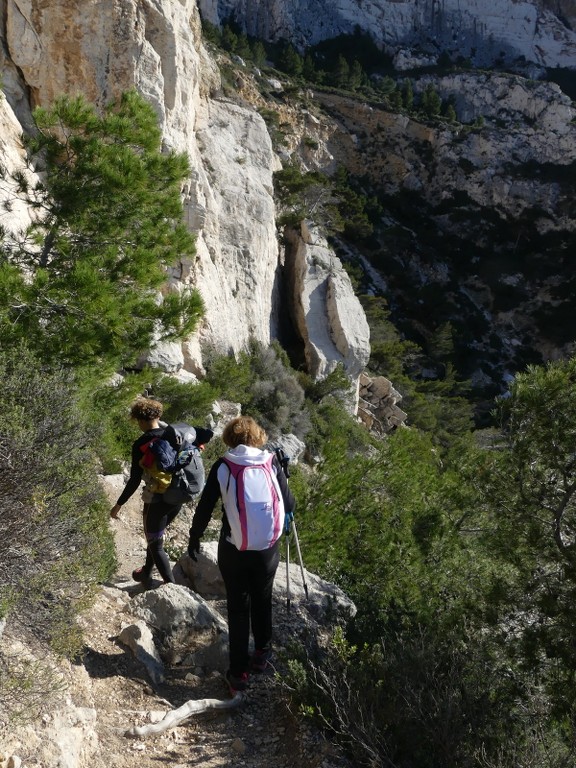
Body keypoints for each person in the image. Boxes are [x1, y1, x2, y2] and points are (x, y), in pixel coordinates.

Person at [187, 416, 295, 694]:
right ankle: (262, 654)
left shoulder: (224, 466)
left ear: (229, 439)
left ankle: (238, 673)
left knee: (237, 607)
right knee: (263, 597)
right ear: (259, 436)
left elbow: (205, 507)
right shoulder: (271, 462)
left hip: (233, 547)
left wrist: (195, 537)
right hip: (266, 550)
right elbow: (290, 503)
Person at [110, 397, 181, 585]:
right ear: (158, 415)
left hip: (156, 500)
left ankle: (172, 587)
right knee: (155, 538)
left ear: (140, 420)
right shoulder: (173, 434)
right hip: (177, 497)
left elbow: (134, 480)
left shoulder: (142, 443)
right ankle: (146, 573)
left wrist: (118, 505)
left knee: (155, 544)